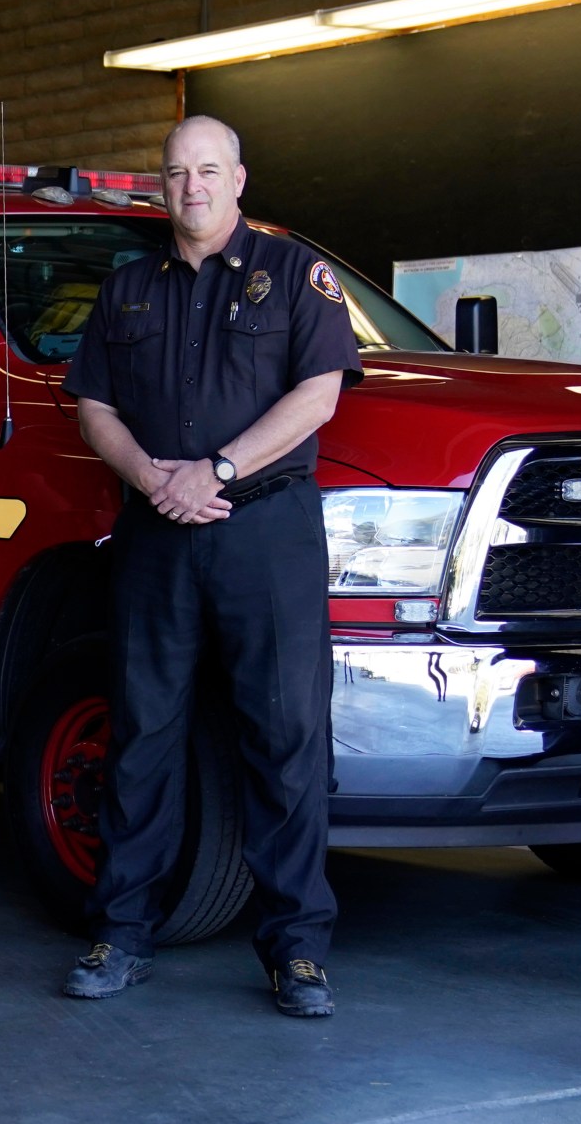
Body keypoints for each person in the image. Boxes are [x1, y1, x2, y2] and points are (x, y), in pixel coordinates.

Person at [57, 115, 362, 1015]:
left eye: (208, 171)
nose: (191, 186)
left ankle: (297, 951)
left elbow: (320, 392)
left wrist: (219, 470)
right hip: (156, 530)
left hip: (263, 531)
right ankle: (120, 933)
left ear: (239, 179)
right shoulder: (127, 290)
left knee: (286, 738)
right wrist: (152, 476)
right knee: (144, 733)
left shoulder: (294, 273)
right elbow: (93, 407)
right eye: (176, 172)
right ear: (162, 185)